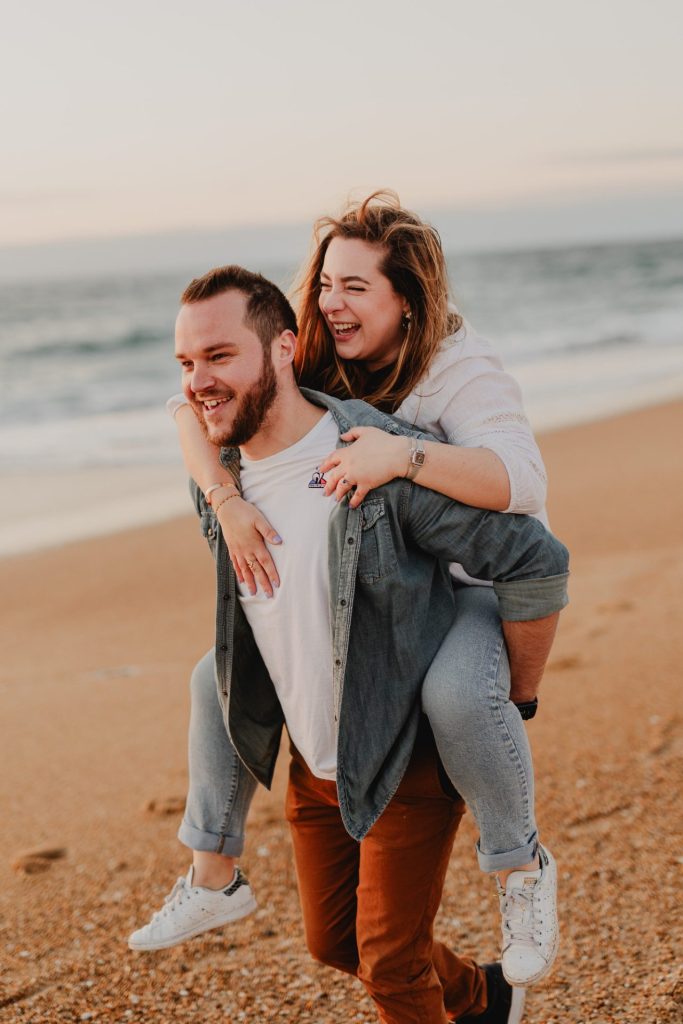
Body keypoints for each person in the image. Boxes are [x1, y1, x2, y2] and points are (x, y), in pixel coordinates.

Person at [130, 195, 560, 989]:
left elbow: (522, 490)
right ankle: (212, 873)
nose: (332, 301)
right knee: (213, 674)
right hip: (370, 584)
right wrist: (225, 500)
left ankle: (521, 872)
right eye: (326, 282)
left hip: (461, 584)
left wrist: (400, 459)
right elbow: (196, 405)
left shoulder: (456, 370)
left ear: (407, 300)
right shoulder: (314, 357)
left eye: (357, 287)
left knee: (461, 697)